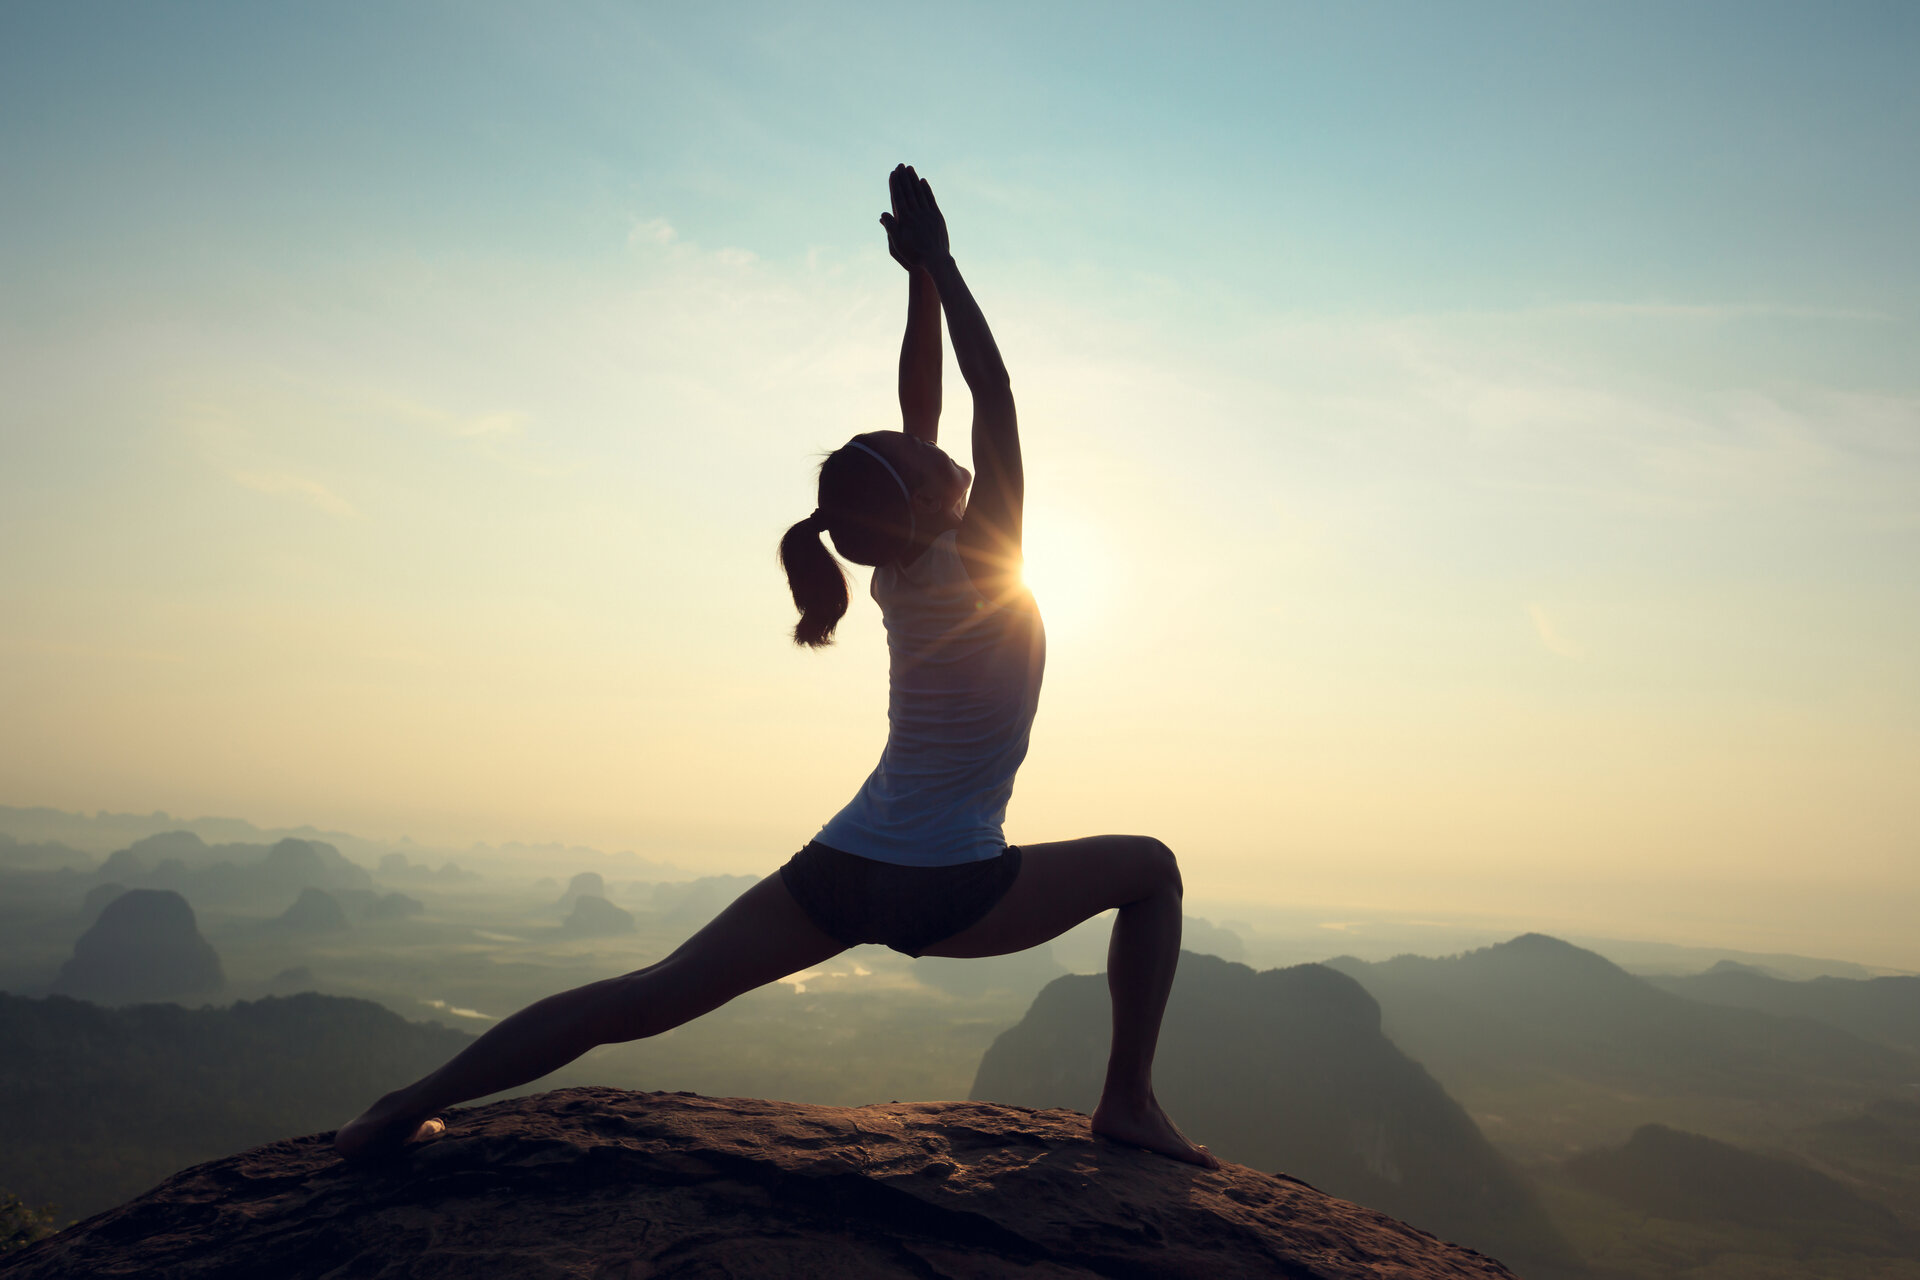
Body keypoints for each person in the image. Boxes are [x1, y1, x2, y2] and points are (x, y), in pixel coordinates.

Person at [334, 166, 1215, 1169]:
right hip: (955, 885)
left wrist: (917, 279)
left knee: (643, 994)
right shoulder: (987, 548)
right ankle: (1128, 1100)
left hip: (843, 865)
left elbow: (921, 404)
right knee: (1152, 869)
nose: (928, 445)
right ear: (926, 505)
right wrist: (947, 261)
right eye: (918, 457)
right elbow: (990, 390)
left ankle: (400, 1105)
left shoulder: (902, 565)